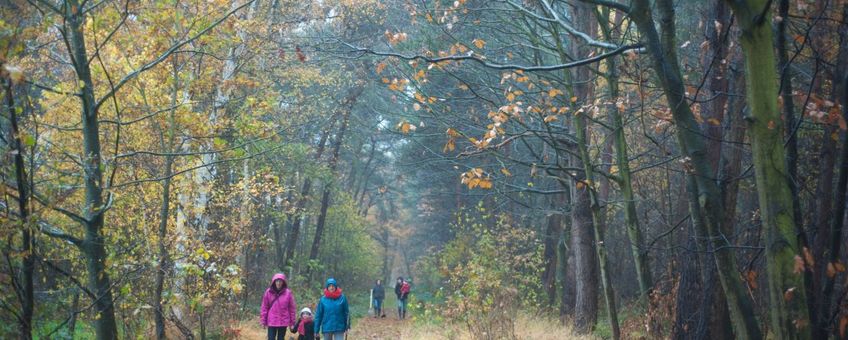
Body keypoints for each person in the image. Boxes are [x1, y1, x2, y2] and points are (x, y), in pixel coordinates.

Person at [260, 273, 297, 340]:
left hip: (283, 321)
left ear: (283, 282)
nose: (278, 283)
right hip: (272, 321)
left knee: (281, 338)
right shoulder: (268, 292)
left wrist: (292, 323)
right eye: (277, 281)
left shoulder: (288, 293)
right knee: (271, 338)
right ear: (274, 282)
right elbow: (264, 307)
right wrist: (263, 321)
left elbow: (292, 309)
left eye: (280, 281)